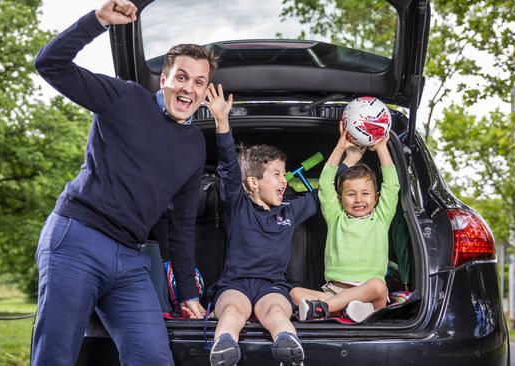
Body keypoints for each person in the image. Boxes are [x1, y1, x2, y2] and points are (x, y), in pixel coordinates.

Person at [32, 1, 212, 364]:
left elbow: (181, 228)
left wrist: (189, 294)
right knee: (55, 356)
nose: (187, 89)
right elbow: (49, 64)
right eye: (181, 76)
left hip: (131, 260)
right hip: (77, 239)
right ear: (164, 79)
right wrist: (97, 21)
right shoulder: (124, 97)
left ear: (206, 91)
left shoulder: (195, 146)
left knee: (153, 357)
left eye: (198, 82)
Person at [204, 83, 318, 366]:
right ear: (253, 183)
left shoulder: (291, 210)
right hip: (235, 284)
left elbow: (324, 194)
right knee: (231, 310)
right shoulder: (238, 204)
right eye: (277, 175)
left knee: (277, 313)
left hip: (272, 286)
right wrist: (221, 121)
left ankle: (287, 345)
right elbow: (229, 168)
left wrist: (345, 154)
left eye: (284, 175)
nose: (284, 181)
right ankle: (225, 346)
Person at [290, 126, 400, 323]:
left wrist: (382, 147)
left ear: (376, 198)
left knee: (378, 285)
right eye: (351, 194)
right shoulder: (335, 216)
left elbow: (391, 186)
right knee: (295, 293)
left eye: (365, 194)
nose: (358, 199)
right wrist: (340, 147)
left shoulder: (381, 217)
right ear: (340, 199)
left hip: (369, 292)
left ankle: (326, 309)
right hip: (334, 290)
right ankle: (349, 310)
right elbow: (325, 184)